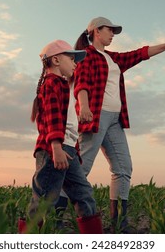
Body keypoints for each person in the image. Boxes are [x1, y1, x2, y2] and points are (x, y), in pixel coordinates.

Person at [57, 17, 165, 233]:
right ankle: (55, 220)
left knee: (123, 168)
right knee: (80, 168)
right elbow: (81, 82)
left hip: (115, 121)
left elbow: (139, 54)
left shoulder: (113, 59)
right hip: (96, 117)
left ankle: (119, 224)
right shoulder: (87, 55)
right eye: (110, 30)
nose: (112, 34)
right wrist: (84, 107)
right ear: (96, 32)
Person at [19, 39, 103, 234]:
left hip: (68, 150)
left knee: (84, 194)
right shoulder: (51, 84)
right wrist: (56, 147)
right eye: (71, 58)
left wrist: (70, 148)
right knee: (44, 199)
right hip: (53, 151)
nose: (75, 63)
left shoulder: (62, 85)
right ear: (56, 60)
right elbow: (52, 118)